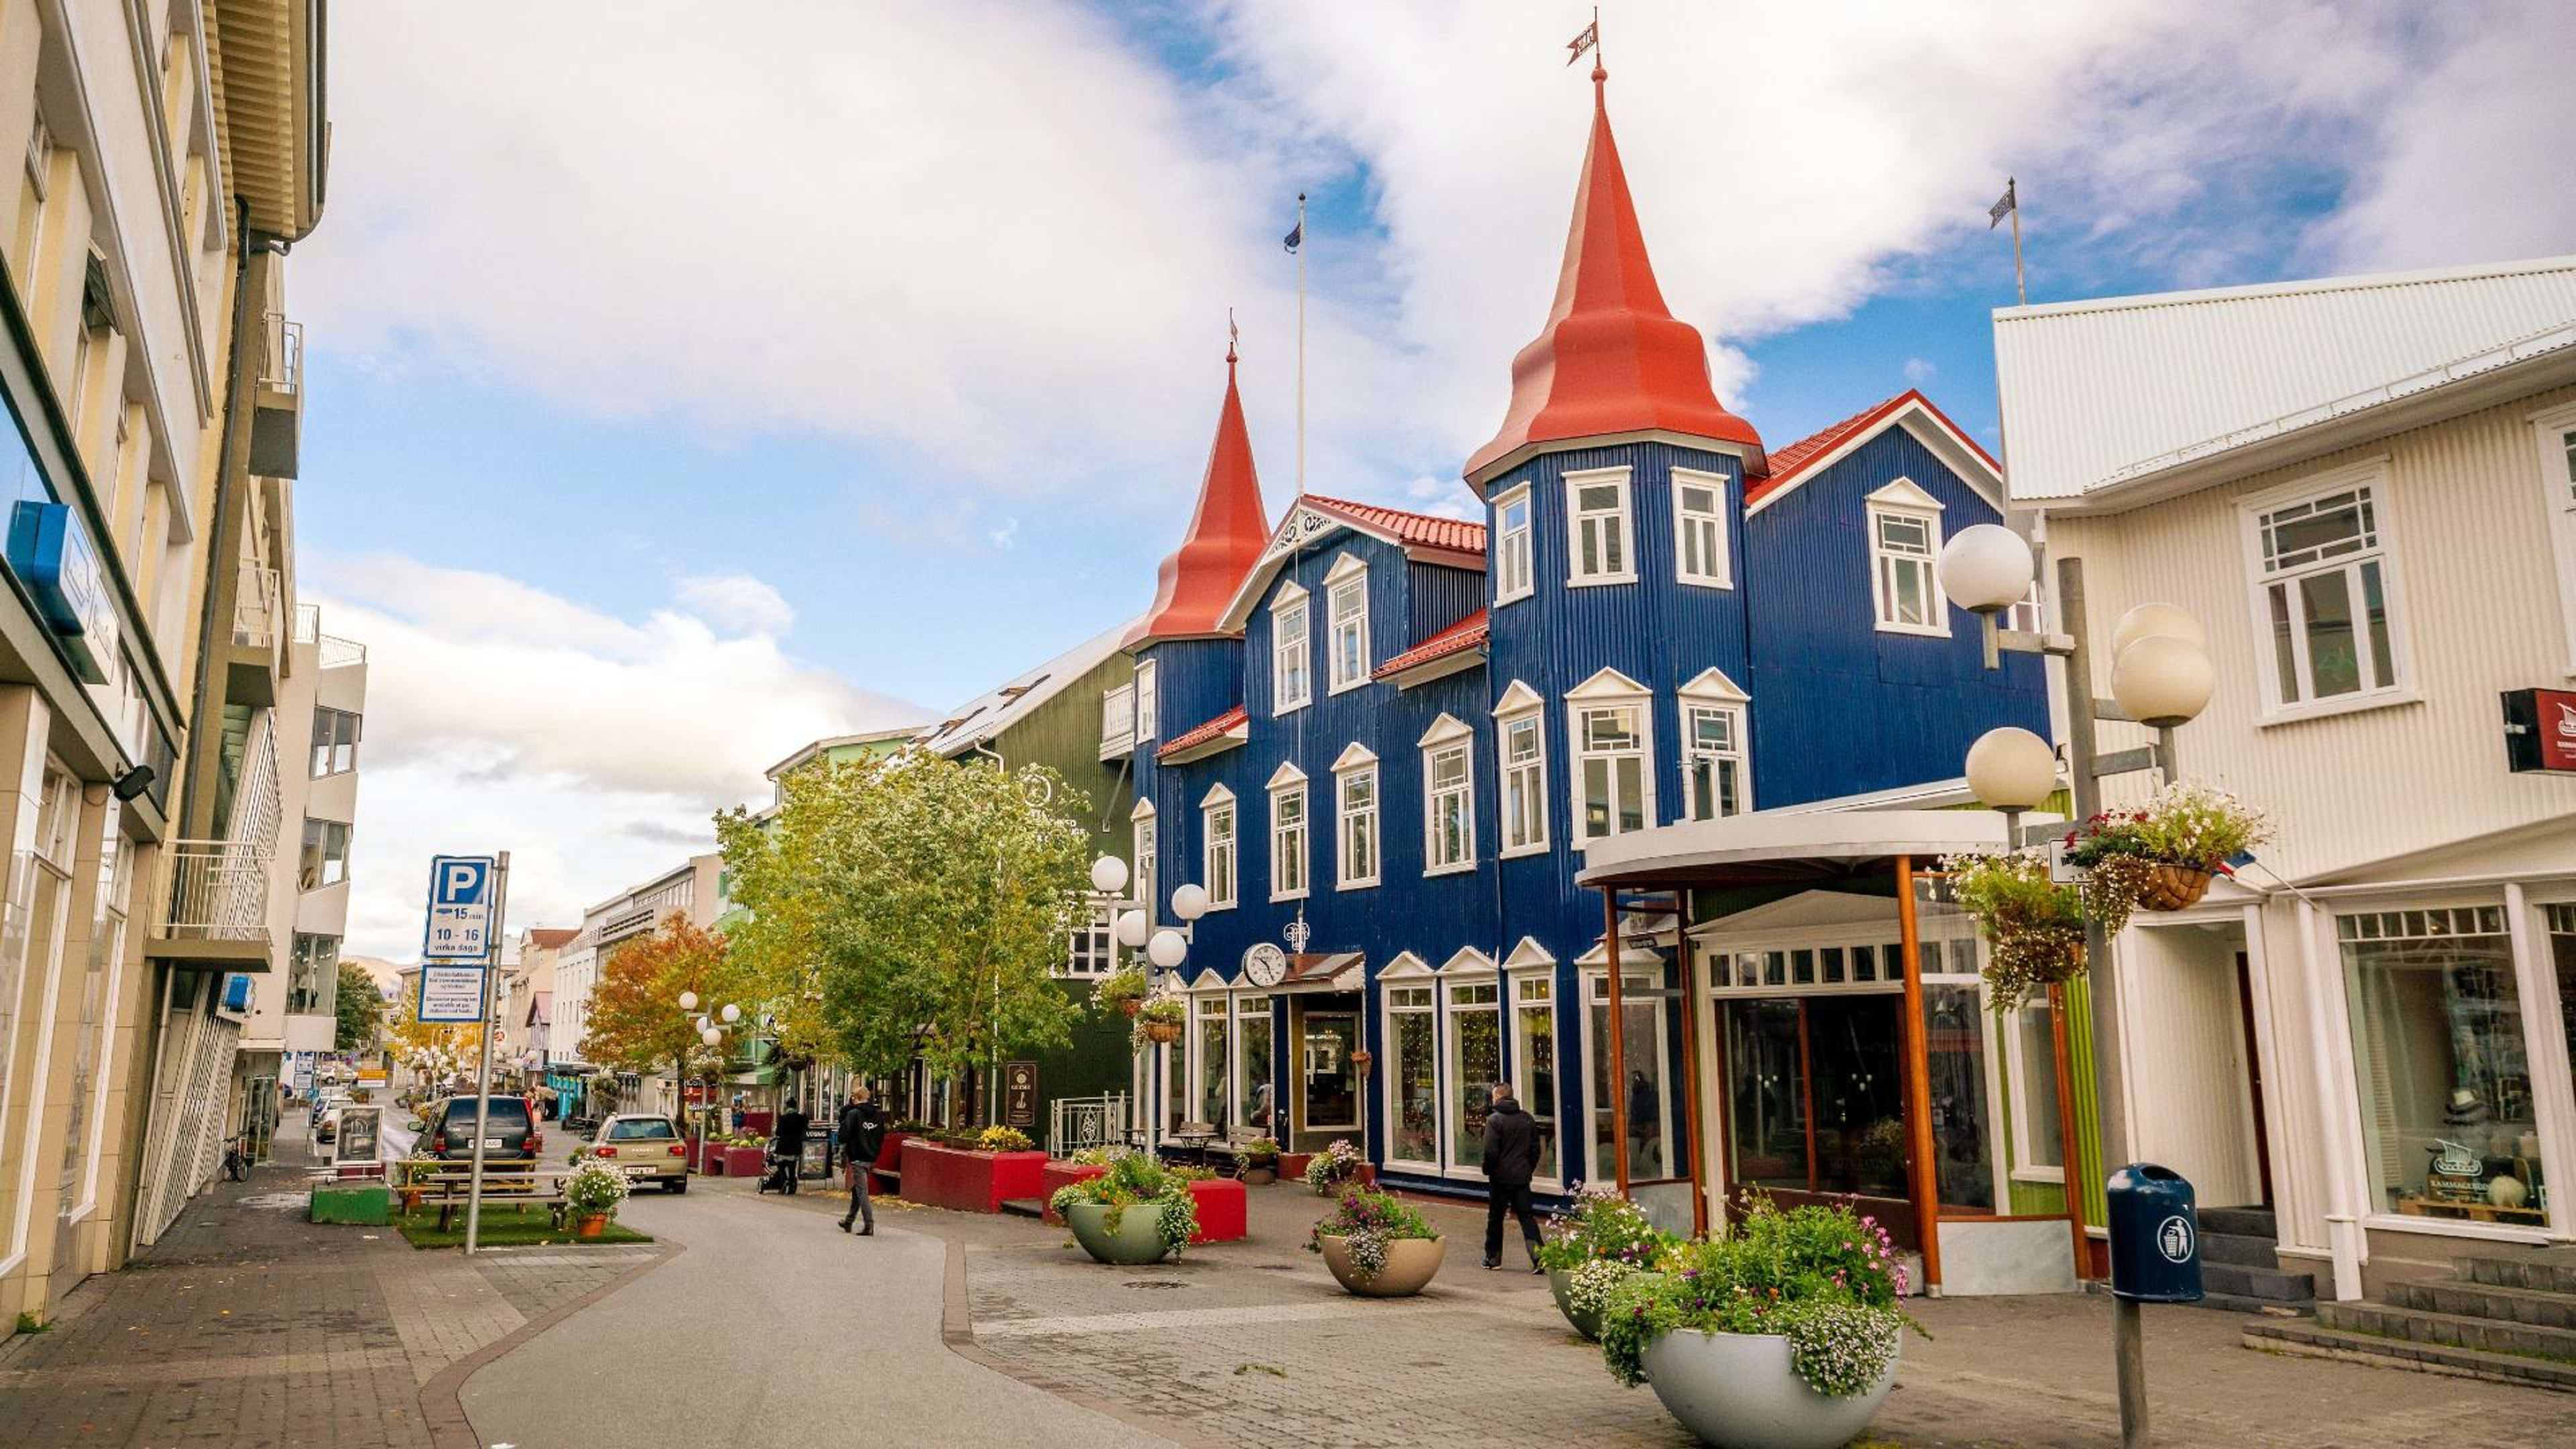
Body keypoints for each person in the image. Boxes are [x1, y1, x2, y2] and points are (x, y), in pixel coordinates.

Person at [1480, 1082, 1544, 1273]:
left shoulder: (1494, 1120)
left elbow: (1490, 1151)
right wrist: (1528, 1168)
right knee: (1527, 1217)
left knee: (1496, 1218)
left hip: (1500, 1178)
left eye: (1493, 1097)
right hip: (1521, 1178)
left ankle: (1493, 1258)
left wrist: (1488, 1169)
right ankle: (1539, 1258)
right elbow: (1535, 1149)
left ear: (1498, 1097)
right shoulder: (1527, 1119)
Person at [836, 1088, 885, 1236]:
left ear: (855, 1098)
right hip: (872, 1157)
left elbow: (843, 1136)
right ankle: (849, 1220)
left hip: (858, 1156)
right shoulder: (878, 1115)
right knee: (857, 1190)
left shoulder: (853, 1114)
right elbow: (882, 1135)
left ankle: (868, 1224)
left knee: (862, 1192)